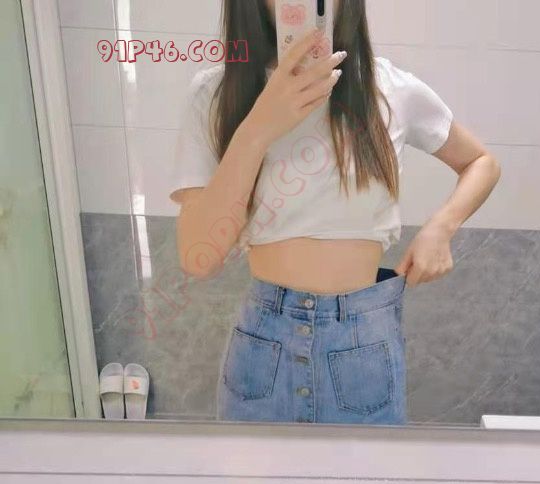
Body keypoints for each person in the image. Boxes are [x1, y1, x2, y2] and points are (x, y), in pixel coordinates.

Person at [169, 0, 500, 426]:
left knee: (365, 474)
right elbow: (199, 256)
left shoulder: (389, 88)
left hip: (363, 343)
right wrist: (257, 128)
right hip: (265, 346)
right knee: (254, 476)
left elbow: (481, 162)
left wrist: (441, 227)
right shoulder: (216, 93)